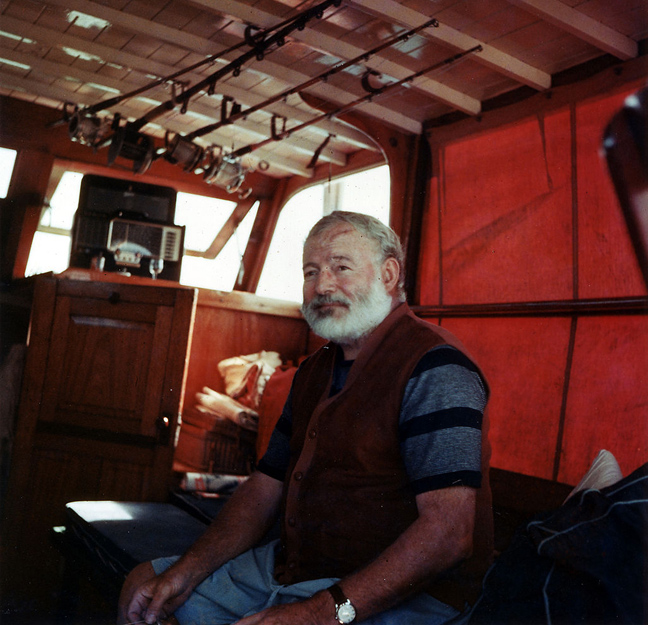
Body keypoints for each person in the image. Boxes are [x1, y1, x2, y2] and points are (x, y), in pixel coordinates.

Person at [118, 211, 493, 625]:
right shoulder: (315, 370)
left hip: (402, 593)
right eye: (310, 272)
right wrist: (186, 572)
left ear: (389, 275)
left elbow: (449, 533)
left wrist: (316, 613)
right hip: (296, 571)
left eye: (341, 267)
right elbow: (266, 485)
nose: (322, 285)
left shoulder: (435, 367)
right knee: (144, 588)